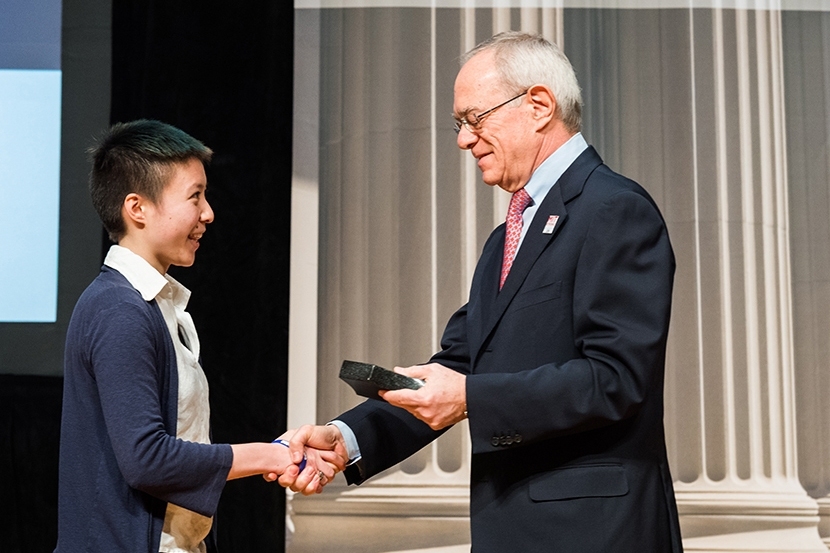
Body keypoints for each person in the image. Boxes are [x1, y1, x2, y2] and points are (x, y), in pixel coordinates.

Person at [282, 31, 683, 552]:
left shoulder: (614, 209)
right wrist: (347, 439)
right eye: (459, 124)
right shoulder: (507, 236)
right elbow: (458, 366)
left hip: (592, 532)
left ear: (539, 104)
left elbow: (616, 378)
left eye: (474, 118)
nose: (463, 140)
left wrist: (470, 397)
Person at [54, 120, 339, 553]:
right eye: (195, 196)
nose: (208, 213)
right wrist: (274, 454)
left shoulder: (151, 304)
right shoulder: (119, 310)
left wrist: (279, 450)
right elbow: (147, 459)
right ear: (138, 208)